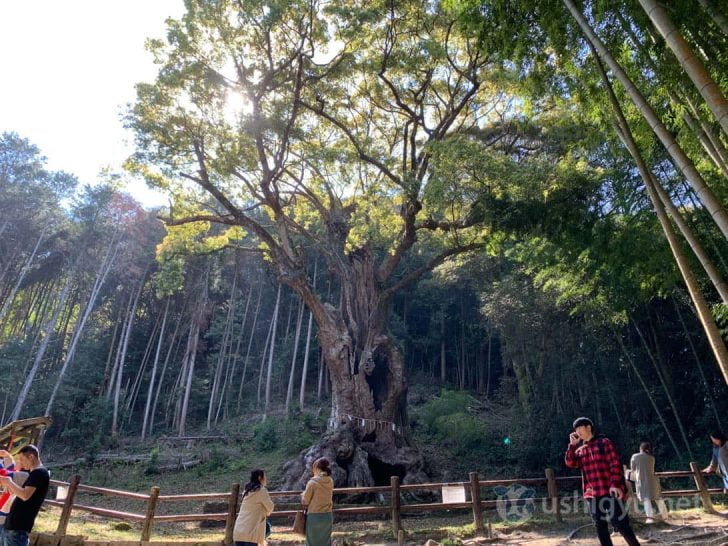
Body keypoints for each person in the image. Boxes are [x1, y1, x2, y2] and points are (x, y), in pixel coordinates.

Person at [565, 417, 640, 546]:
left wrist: (615, 484)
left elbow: (615, 464)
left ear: (588, 427)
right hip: (592, 494)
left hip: (610, 490)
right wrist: (572, 446)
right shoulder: (580, 450)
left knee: (620, 523)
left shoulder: (604, 443)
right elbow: (570, 462)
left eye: (580, 428)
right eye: (575, 429)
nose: (578, 431)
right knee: (599, 525)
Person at [0, 445, 49, 546]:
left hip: (18, 525)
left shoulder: (39, 473)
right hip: (12, 524)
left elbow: (25, 495)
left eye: (22, 459)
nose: (21, 463)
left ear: (31, 457)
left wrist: (9, 482)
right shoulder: (33, 473)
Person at [233, 469, 274, 546]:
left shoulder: (246, 491)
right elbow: (270, 507)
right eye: (264, 477)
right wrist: (266, 512)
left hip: (239, 530)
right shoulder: (261, 490)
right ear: (259, 477)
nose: (266, 479)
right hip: (252, 532)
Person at [630, 442, 668, 523]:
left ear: (641, 448)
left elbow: (633, 469)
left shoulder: (635, 456)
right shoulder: (652, 457)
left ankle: (650, 518)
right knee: (658, 498)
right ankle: (665, 516)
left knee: (646, 499)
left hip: (642, 481)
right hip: (653, 480)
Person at [301, 457, 333, 546]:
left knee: (312, 542)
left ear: (317, 468)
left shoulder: (312, 483)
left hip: (314, 516)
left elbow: (305, 501)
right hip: (327, 515)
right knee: (325, 542)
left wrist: (303, 494)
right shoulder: (330, 481)